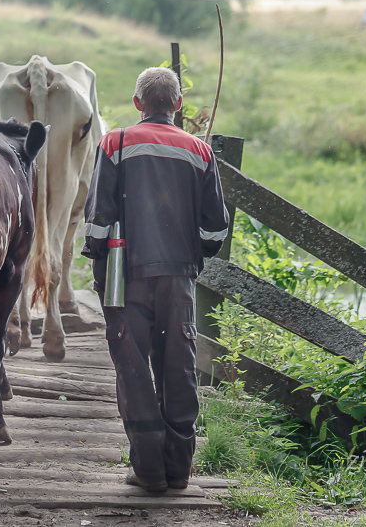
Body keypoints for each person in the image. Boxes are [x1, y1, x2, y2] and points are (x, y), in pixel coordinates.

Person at [81, 66, 229, 494]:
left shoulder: (115, 143)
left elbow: (96, 229)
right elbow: (215, 233)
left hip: (124, 282)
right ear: (178, 105)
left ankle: (148, 470)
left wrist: (103, 266)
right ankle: (178, 470)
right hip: (180, 281)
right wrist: (185, 252)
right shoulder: (201, 152)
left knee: (133, 370)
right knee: (179, 370)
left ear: (137, 104)